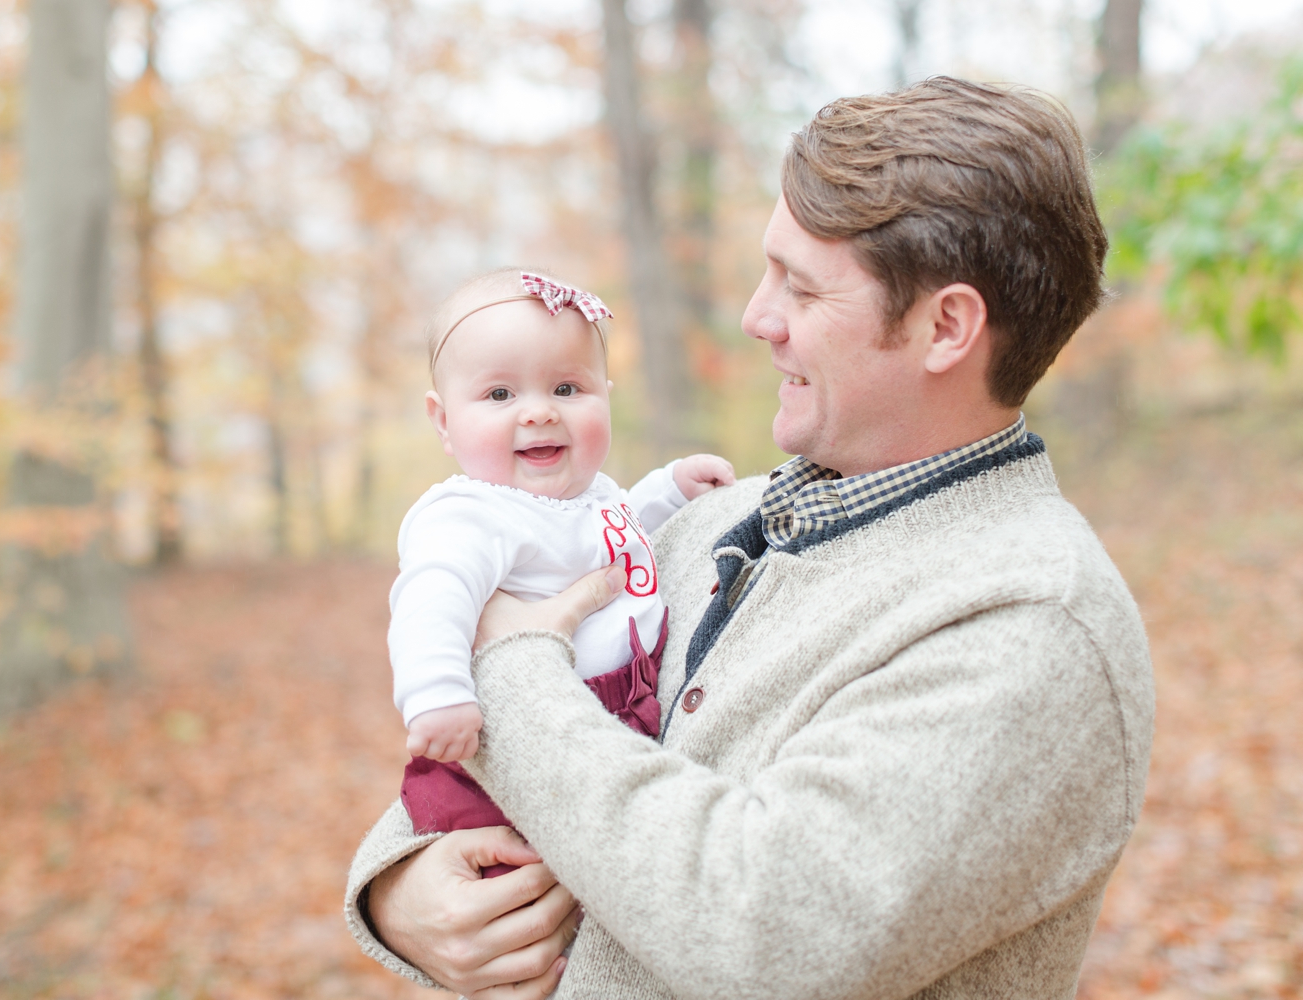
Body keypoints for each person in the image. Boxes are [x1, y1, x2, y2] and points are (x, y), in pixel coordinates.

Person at [344, 77, 1155, 1000]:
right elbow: (498, 753)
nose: (755, 317)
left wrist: (511, 661)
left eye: (800, 288)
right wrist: (397, 893)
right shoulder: (716, 515)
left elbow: (766, 937)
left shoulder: (1031, 625)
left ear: (946, 326)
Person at [394, 267, 735, 861]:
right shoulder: (470, 515)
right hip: (522, 735)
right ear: (444, 421)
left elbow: (614, 530)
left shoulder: (589, 494)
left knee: (614, 862)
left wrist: (671, 490)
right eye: (500, 395)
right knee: (513, 866)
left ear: (606, 393)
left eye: (567, 390)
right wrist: (437, 692)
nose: (538, 413)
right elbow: (431, 598)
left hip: (626, 708)